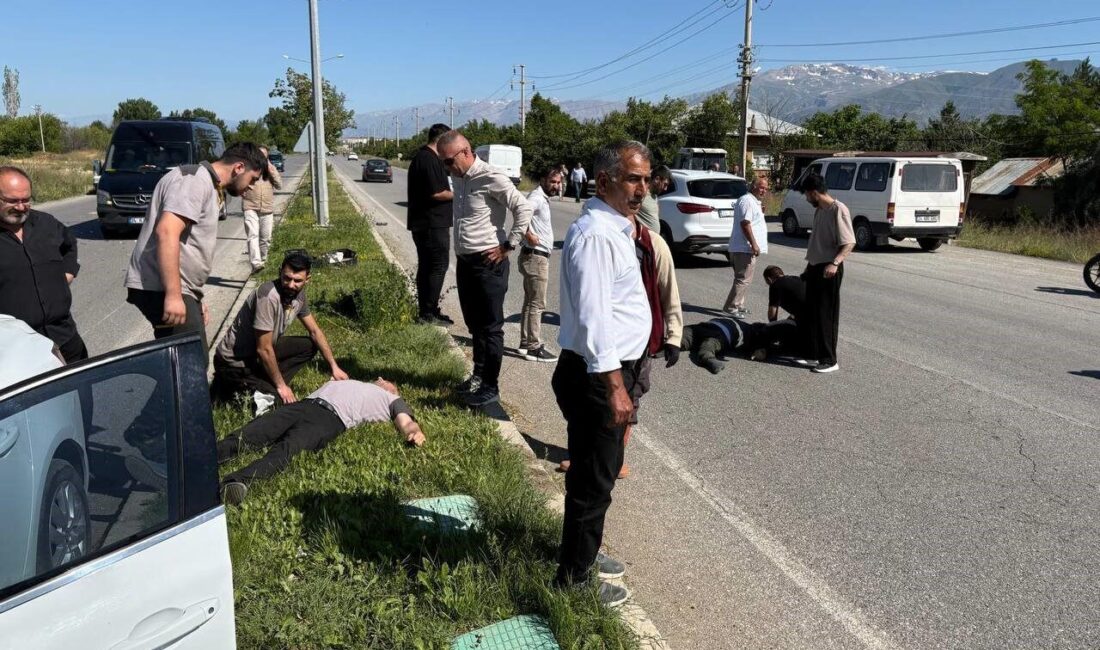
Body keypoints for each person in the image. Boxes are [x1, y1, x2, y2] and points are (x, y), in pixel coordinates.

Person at [553, 140, 653, 608]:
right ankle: (574, 580)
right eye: (634, 179)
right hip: (597, 376)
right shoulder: (595, 234)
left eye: (647, 179)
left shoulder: (617, 227)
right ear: (605, 181)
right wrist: (615, 388)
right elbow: (594, 320)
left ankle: (582, 555)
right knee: (593, 482)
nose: (643, 189)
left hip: (608, 371)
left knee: (600, 476)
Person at [124, 142, 267, 352]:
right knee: (190, 362)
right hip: (161, 288)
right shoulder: (193, 181)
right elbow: (167, 232)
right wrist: (174, 295)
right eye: (252, 179)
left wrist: (195, 299)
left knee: (184, 360)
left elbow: (187, 245)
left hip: (178, 288)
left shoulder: (207, 183)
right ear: (238, 168)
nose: (252, 186)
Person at [436, 131, 532, 407]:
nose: (447, 168)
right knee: (475, 325)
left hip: (489, 263)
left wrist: (508, 246)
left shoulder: (492, 176)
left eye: (449, 162)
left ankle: (491, 386)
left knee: (491, 328)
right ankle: (477, 377)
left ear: (466, 152)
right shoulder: (458, 176)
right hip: (466, 262)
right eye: (443, 163)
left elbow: (523, 209)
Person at [218, 378, 425, 504]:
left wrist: (414, 432)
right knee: (252, 432)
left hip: (331, 418)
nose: (383, 380)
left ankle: (236, 482)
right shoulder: (348, 382)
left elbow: (406, 422)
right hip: (303, 405)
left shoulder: (391, 399)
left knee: (288, 450)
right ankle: (206, 457)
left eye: (389, 383)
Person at [211, 252, 347, 412]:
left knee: (309, 345)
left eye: (297, 281)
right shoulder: (268, 296)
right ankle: (230, 388)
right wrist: (282, 387)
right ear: (279, 272)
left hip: (257, 356)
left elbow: (315, 331)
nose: (291, 285)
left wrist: (334, 366)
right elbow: (264, 349)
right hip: (235, 362)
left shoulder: (298, 296)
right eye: (287, 278)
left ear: (307, 279)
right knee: (275, 403)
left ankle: (266, 382)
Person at [0, 166, 87, 362]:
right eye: (12, 201)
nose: (21, 207)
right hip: (15, 350)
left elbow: (69, 244)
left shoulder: (45, 223)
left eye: (26, 200)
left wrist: (69, 272)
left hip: (64, 336)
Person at [798, 172, 855, 374]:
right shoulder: (820, 210)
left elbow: (849, 242)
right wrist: (808, 267)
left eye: (806, 194)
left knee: (826, 314)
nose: (806, 198)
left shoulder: (838, 209)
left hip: (829, 268)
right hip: (815, 266)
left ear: (814, 193)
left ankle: (829, 359)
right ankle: (813, 354)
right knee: (812, 312)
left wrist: (835, 263)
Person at [407, 123, 455, 325]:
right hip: (431, 225)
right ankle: (428, 313)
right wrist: (460, 195)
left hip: (427, 223)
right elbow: (437, 192)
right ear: (441, 140)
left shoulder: (424, 157)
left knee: (428, 267)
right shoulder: (428, 159)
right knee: (437, 266)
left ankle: (429, 309)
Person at [519, 168, 561, 362]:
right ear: (543, 179)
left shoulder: (541, 197)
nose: (556, 186)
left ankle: (525, 343)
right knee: (537, 304)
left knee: (530, 302)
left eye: (558, 182)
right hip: (536, 257)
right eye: (553, 181)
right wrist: (528, 234)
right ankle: (534, 346)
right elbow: (521, 211)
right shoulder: (536, 197)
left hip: (534, 256)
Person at [680, 317, 800, 374]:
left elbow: (761, 347)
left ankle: (708, 358)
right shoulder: (754, 333)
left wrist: (762, 351)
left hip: (713, 328)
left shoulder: (753, 333)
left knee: (692, 338)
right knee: (705, 344)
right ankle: (707, 358)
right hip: (717, 330)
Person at [723, 177, 770, 318]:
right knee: (742, 279)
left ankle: (739, 305)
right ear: (753, 186)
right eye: (761, 187)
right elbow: (745, 223)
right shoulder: (747, 201)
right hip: (744, 247)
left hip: (746, 247)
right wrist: (754, 244)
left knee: (745, 279)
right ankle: (731, 308)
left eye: (766, 188)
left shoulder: (753, 202)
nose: (764, 191)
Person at [241, 145, 282, 273]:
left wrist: (270, 167)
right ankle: (256, 263)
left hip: (267, 209)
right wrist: (242, 189)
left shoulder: (270, 170)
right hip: (250, 207)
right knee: (252, 235)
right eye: (260, 154)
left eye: (264, 155)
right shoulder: (248, 169)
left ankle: (263, 261)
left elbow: (279, 185)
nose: (262, 157)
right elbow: (238, 183)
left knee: (266, 238)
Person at [636, 165, 671, 233]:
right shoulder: (641, 193)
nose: (665, 189)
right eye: (665, 184)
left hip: (651, 240)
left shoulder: (654, 196)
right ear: (657, 179)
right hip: (641, 240)